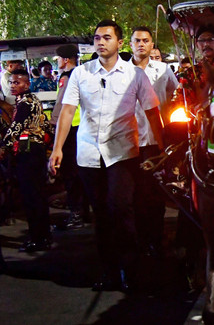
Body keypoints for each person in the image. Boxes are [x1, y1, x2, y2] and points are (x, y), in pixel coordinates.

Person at [48, 19, 164, 292]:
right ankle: (109, 270)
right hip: (88, 152)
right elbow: (67, 111)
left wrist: (162, 148)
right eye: (97, 38)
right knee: (101, 213)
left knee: (120, 207)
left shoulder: (134, 75)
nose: (100, 42)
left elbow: (151, 111)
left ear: (119, 43)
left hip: (122, 152)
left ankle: (131, 268)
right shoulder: (81, 73)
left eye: (107, 37)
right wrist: (56, 149)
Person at [130, 26, 179, 257]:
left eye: (146, 40)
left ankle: (156, 239)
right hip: (129, 142)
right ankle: (140, 239)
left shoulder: (163, 70)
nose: (141, 44)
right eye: (137, 40)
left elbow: (176, 96)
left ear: (152, 45)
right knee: (135, 194)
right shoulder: (120, 71)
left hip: (156, 140)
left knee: (155, 194)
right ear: (129, 44)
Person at [0, 69, 52, 252]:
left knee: (31, 196)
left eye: (18, 82)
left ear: (27, 84)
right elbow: (45, 123)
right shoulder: (31, 101)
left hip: (28, 151)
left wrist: (2, 148)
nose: (13, 86)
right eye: (12, 83)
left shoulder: (25, 104)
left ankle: (38, 238)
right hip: (35, 150)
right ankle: (43, 235)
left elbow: (15, 130)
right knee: (37, 194)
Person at [51, 44, 87, 230]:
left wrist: (53, 125)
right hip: (81, 129)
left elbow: (62, 105)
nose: (57, 62)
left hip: (70, 130)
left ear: (65, 60)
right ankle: (84, 212)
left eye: (58, 59)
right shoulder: (82, 74)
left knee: (70, 174)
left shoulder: (67, 77)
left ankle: (76, 215)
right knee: (81, 172)